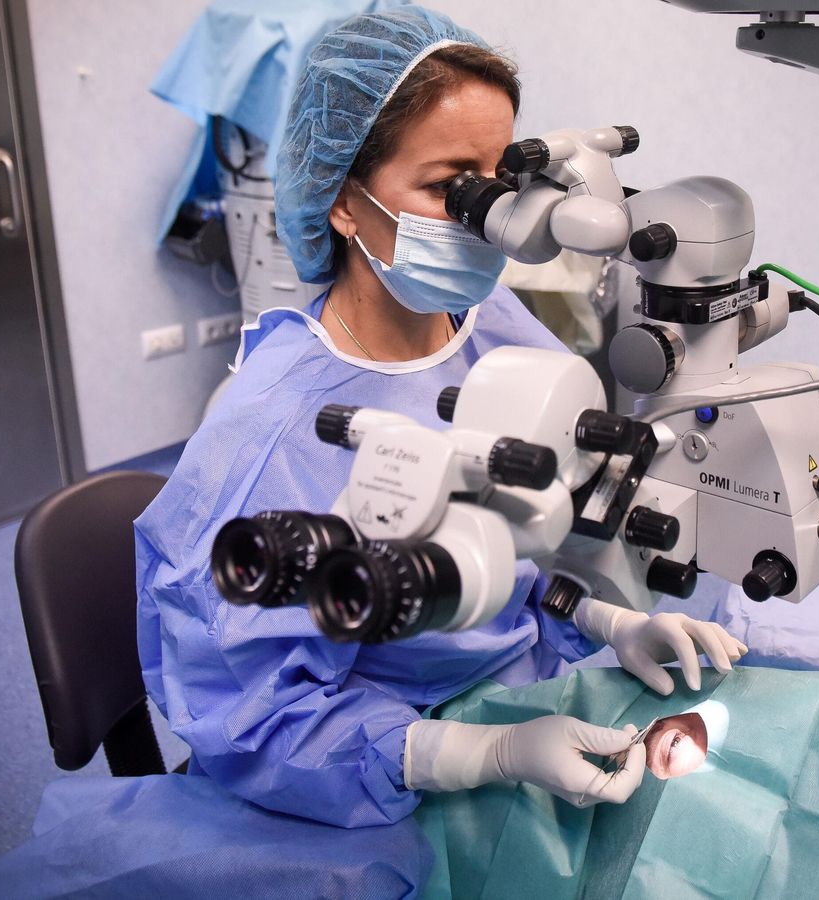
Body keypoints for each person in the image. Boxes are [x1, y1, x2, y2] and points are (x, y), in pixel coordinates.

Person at [133, 5, 745, 831]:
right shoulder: (268, 434)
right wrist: (478, 755)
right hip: (380, 772)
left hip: (529, 684)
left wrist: (607, 617)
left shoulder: (491, 326)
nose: (488, 216)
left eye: (498, 182)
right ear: (345, 203)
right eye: (449, 185)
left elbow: (527, 554)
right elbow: (254, 720)